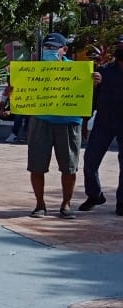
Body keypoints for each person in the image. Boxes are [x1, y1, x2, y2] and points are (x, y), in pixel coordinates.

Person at [22, 32, 94, 219]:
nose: (50, 51)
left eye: (54, 48)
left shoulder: (79, 71)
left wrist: (95, 81)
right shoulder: (31, 71)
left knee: (69, 167)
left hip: (69, 122)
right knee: (36, 165)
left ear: (65, 50)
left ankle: (66, 204)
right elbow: (19, 94)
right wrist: (13, 90)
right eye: (47, 47)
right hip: (40, 121)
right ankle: (40, 205)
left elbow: (88, 94)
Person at [79, 34, 123, 215]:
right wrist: (85, 120)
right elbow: (92, 98)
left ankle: (122, 202)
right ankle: (94, 195)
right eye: (119, 46)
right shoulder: (103, 71)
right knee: (90, 160)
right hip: (104, 122)